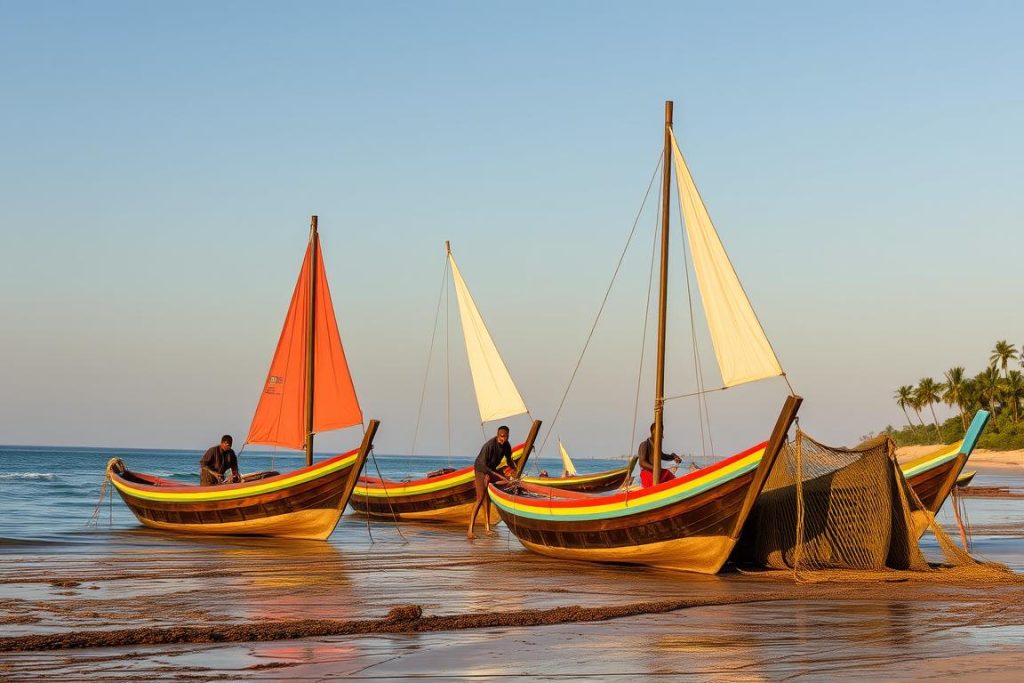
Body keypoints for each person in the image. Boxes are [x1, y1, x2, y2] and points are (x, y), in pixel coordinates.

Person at [467, 425, 516, 539]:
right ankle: (470, 530)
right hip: (480, 470)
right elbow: (483, 465)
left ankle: (487, 529)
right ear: (498, 435)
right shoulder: (489, 446)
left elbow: (509, 460)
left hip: (491, 470)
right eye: (502, 436)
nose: (503, 439)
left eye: (506, 436)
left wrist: (515, 468)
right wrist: (497, 475)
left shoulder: (506, 445)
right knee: (480, 498)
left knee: (487, 499)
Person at [638, 422, 681, 487]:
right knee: (667, 476)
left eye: (661, 432)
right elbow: (642, 462)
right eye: (659, 431)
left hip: (658, 472)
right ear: (652, 431)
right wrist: (656, 469)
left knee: (673, 480)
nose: (660, 434)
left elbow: (662, 456)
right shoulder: (644, 444)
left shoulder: (656, 446)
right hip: (648, 474)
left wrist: (673, 456)